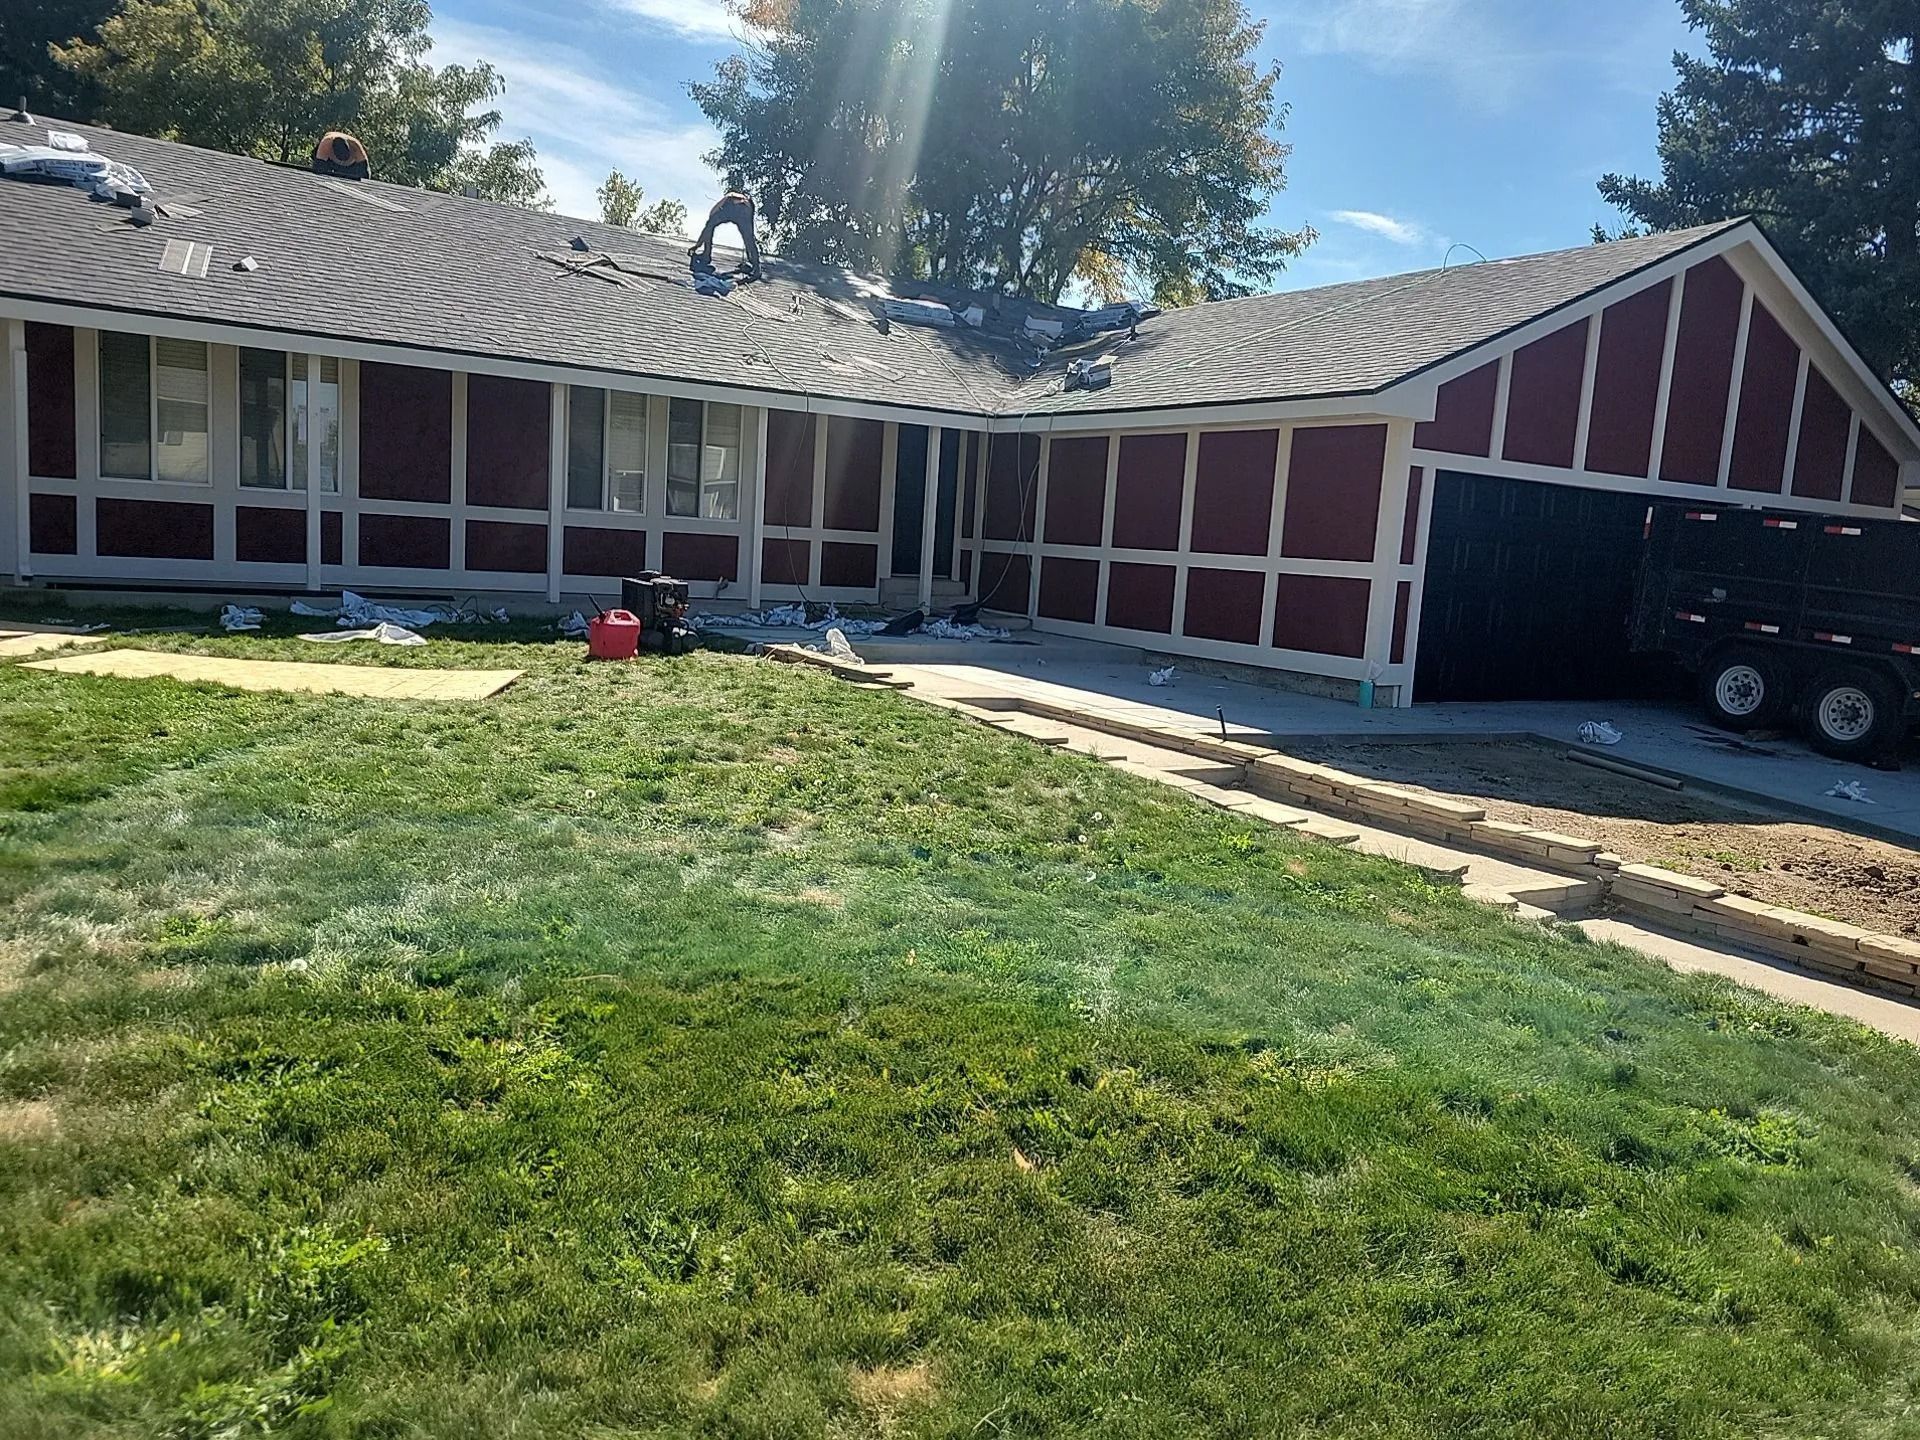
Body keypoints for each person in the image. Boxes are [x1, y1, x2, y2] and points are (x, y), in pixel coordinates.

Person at [689, 189, 760, 277]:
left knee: (710, 225)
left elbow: (708, 227)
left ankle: (706, 255)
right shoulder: (746, 202)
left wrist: (697, 245)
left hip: (734, 207)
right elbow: (750, 235)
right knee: (749, 238)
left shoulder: (725, 202)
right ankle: (755, 266)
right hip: (744, 208)